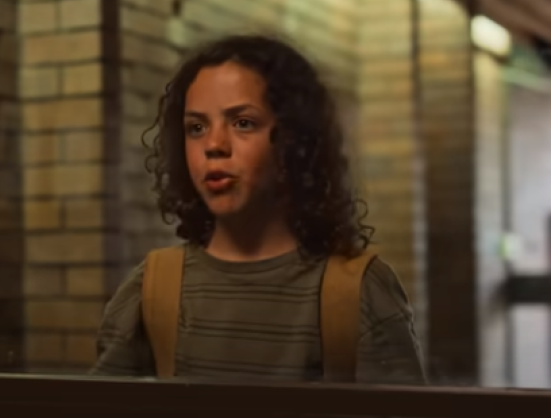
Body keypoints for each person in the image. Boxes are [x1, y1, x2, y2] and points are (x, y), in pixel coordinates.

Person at [90, 34, 426, 384]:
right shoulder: (152, 288)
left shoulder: (357, 291)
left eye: (243, 123)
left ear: (294, 140)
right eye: (196, 127)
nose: (214, 145)